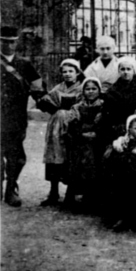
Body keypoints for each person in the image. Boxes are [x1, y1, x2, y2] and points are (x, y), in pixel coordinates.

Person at [1, 25, 43, 206]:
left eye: (12, 42)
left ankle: (11, 189)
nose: (9, 45)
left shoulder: (24, 64)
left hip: (16, 118)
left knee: (16, 157)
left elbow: (38, 88)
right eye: (4, 42)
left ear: (16, 43)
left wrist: (50, 104)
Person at [36, 58, 84, 207]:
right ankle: (53, 192)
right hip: (55, 128)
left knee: (70, 158)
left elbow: (83, 107)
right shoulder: (58, 88)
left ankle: (70, 194)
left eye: (71, 71)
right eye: (65, 72)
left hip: (72, 127)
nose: (68, 74)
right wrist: (44, 102)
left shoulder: (82, 89)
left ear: (77, 73)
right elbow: (46, 102)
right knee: (54, 157)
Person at [66, 77, 105, 211]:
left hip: (97, 141)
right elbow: (73, 125)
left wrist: (96, 134)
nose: (90, 92)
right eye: (87, 89)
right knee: (79, 159)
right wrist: (81, 134)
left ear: (99, 90)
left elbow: (103, 124)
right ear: (83, 91)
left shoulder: (103, 106)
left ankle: (92, 197)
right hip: (80, 140)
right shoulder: (77, 107)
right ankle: (76, 195)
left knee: (94, 159)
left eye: (94, 89)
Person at [100, 56, 136, 145]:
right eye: (122, 69)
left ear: (134, 70)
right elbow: (108, 111)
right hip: (118, 126)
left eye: (129, 69)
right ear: (119, 71)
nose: (125, 72)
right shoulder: (113, 90)